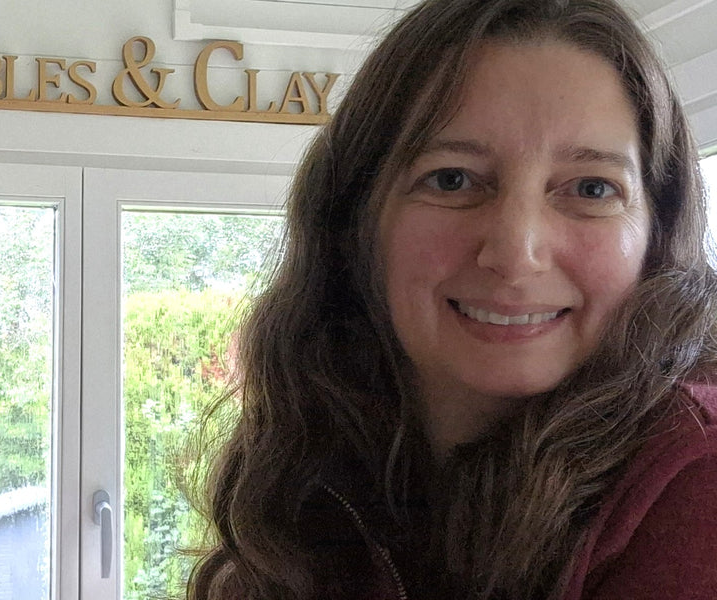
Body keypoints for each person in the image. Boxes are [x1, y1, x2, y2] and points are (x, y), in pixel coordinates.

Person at [184, 0, 717, 598]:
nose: (516, 253)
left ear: (657, 232)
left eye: (592, 189)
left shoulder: (698, 479)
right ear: (356, 218)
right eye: (452, 179)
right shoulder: (310, 464)